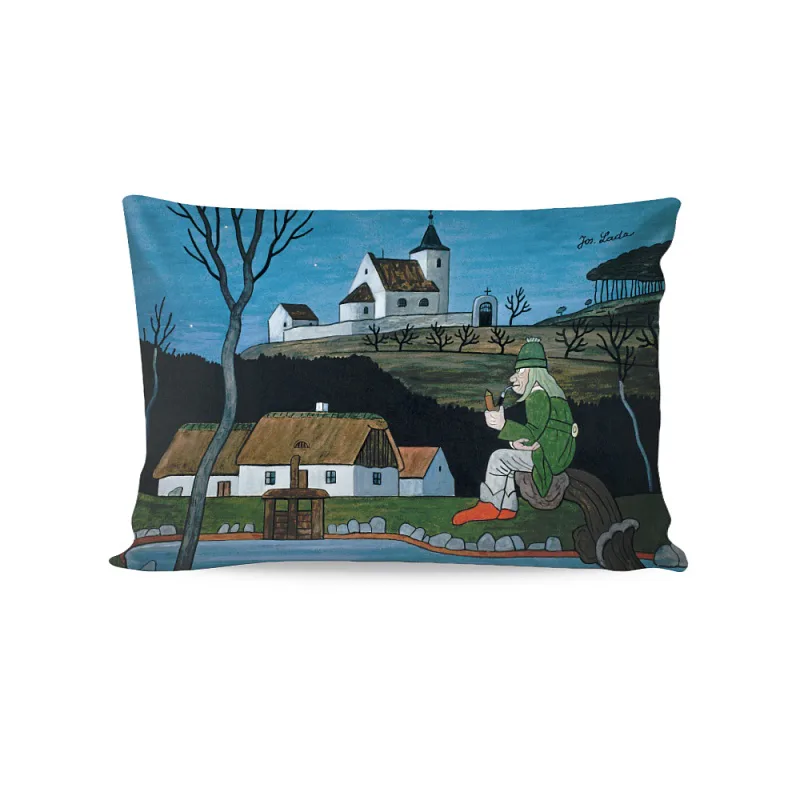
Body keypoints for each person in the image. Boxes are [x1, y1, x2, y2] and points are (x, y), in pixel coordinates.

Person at [452, 338, 578, 525]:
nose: (513, 378)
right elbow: (543, 432)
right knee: (508, 458)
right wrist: (517, 443)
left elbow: (533, 433)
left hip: (546, 458)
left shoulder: (537, 395)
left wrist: (503, 425)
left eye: (519, 371)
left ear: (532, 372)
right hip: (557, 455)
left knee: (498, 458)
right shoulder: (554, 394)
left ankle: (490, 505)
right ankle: (507, 508)